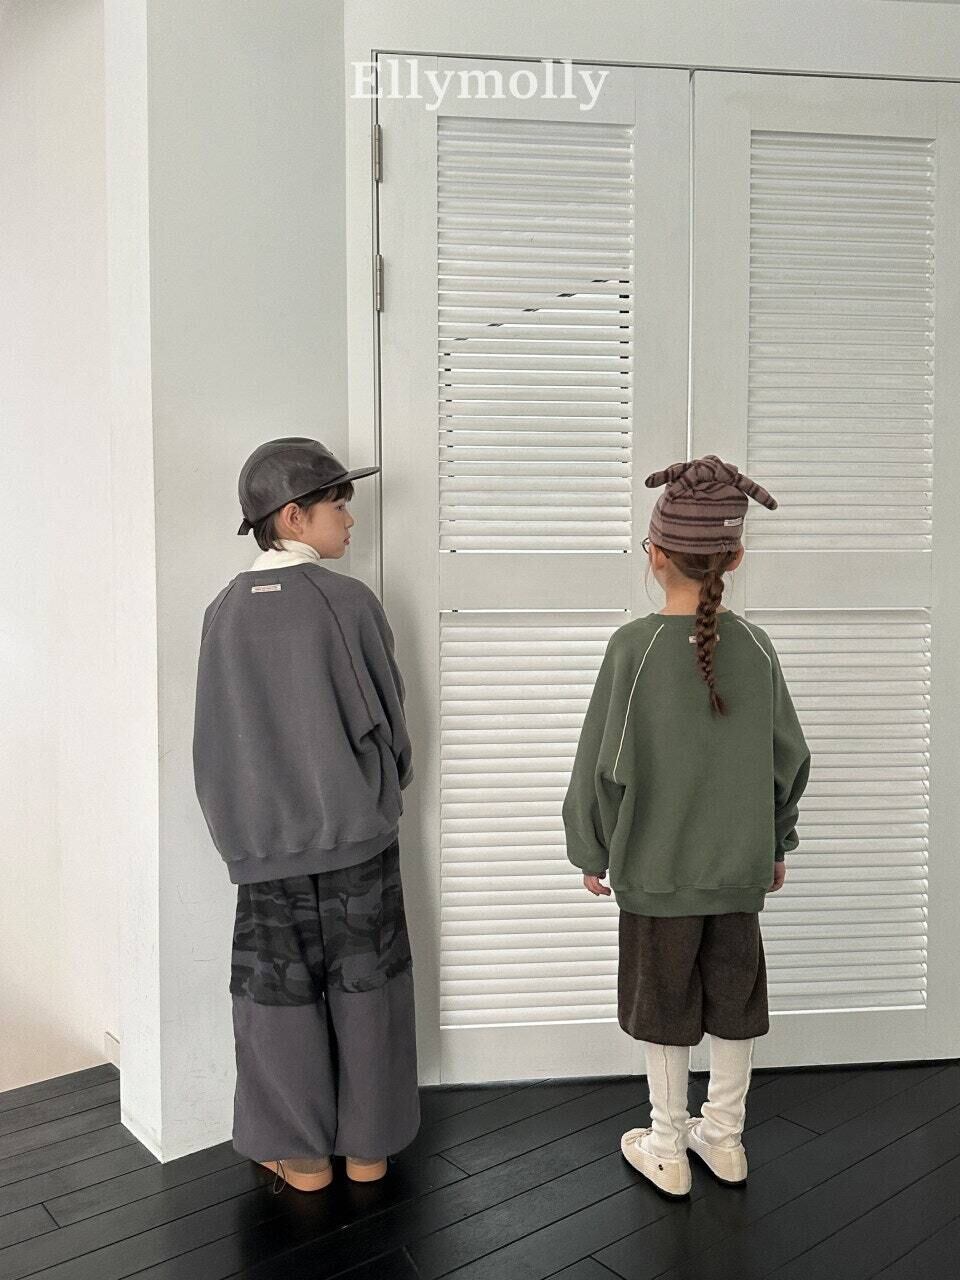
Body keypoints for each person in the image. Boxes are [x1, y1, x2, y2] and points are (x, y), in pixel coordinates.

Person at [562, 453, 811, 1200]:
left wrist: (590, 847)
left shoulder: (633, 649)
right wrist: (777, 842)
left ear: (655, 555)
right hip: (738, 871)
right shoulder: (757, 647)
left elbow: (600, 765)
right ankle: (725, 1140)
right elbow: (789, 760)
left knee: (665, 1008)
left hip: (656, 871)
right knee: (736, 1004)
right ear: (735, 557)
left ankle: (668, 1147)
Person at [192, 437, 420, 1195]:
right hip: (357, 843)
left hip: (263, 855)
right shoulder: (349, 604)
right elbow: (389, 722)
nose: (350, 520)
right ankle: (369, 1150)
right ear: (294, 516)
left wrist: (240, 838)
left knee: (277, 999)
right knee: (369, 991)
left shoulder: (222, 612)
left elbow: (213, 740)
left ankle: (303, 1158)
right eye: (338, 505)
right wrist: (385, 792)